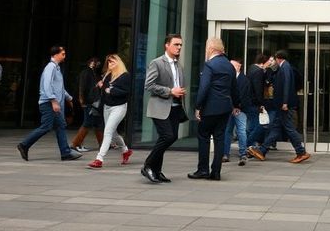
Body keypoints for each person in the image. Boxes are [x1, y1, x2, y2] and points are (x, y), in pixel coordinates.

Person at [17, 46, 81, 162]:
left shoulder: (56, 68)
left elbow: (59, 87)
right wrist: (53, 101)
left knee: (61, 125)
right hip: (49, 103)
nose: (64, 56)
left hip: (53, 103)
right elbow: (47, 85)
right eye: (63, 54)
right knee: (46, 127)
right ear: (55, 55)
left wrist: (69, 98)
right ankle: (24, 145)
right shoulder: (50, 67)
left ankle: (65, 153)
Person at [247, 50, 311, 164]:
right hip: (281, 105)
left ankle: (301, 152)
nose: (274, 61)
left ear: (278, 58)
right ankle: (262, 151)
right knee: (275, 129)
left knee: (289, 128)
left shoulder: (285, 67)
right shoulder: (284, 67)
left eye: (275, 59)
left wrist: (285, 102)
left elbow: (286, 85)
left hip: (284, 105)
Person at [189, 37, 239, 180]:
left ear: (211, 49)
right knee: (219, 138)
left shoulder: (210, 65)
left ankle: (203, 169)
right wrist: (236, 105)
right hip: (225, 108)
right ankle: (216, 171)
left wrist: (198, 106)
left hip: (210, 108)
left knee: (203, 136)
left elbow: (204, 88)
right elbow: (234, 88)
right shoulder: (229, 66)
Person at [142, 34, 188, 183]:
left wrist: (180, 92)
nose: (179, 47)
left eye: (180, 45)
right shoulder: (157, 63)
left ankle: (156, 170)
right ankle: (148, 165)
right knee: (167, 136)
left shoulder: (178, 65)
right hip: (160, 107)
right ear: (167, 45)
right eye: (176, 44)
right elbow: (149, 85)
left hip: (175, 107)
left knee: (171, 137)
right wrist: (170, 91)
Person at [87, 54, 132, 169]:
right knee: (113, 133)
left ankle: (99, 159)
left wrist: (110, 90)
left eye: (112, 62)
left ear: (118, 62)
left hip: (119, 107)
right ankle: (125, 151)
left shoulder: (124, 76)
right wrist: (102, 86)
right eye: (109, 62)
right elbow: (104, 88)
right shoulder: (107, 75)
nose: (110, 64)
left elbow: (125, 92)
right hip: (107, 107)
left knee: (107, 132)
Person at [223, 58, 253, 166]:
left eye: (233, 66)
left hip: (240, 110)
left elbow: (245, 96)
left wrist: (237, 107)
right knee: (227, 131)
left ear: (239, 66)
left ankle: (242, 154)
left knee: (241, 131)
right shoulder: (228, 78)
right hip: (229, 109)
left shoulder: (244, 80)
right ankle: (225, 154)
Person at [70, 57, 104, 153]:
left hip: (93, 101)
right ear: (92, 63)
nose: (98, 64)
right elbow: (82, 86)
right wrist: (82, 100)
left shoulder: (93, 73)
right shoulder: (86, 72)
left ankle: (103, 144)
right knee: (88, 122)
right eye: (96, 62)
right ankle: (75, 144)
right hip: (89, 102)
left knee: (97, 122)